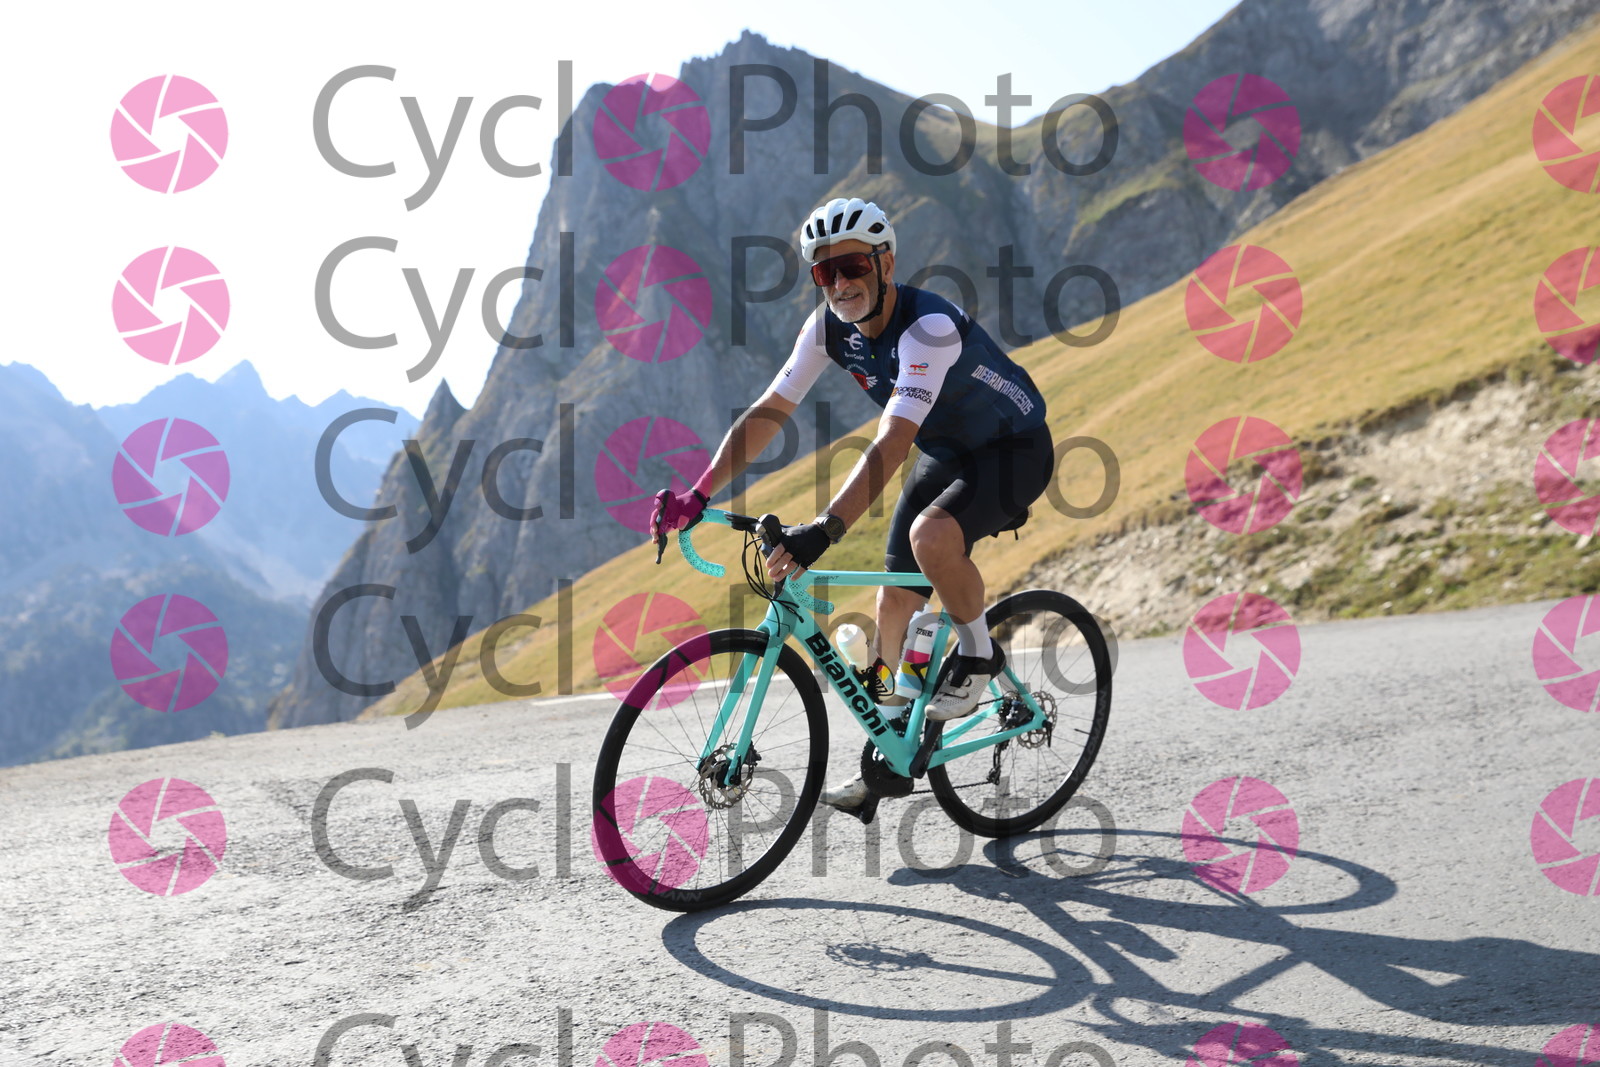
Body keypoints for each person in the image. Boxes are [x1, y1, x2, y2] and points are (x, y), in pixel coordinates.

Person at [649, 197, 1053, 813]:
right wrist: (698, 493)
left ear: (885, 263)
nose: (840, 283)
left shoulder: (927, 328)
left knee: (931, 538)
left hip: (1014, 448)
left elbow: (892, 441)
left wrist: (825, 529)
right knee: (894, 600)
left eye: (854, 266)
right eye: (825, 271)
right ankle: (890, 754)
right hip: (947, 452)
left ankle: (979, 651)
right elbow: (769, 411)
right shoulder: (826, 329)